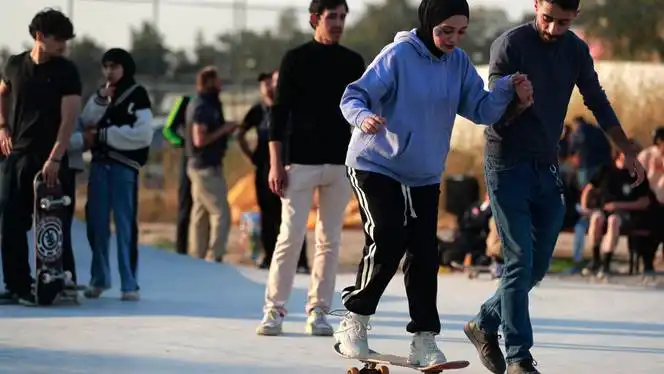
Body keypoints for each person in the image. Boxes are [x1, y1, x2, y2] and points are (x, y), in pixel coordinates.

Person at [333, 0, 531, 367]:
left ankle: (423, 339)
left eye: (461, 32)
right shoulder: (397, 56)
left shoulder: (457, 63)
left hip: (423, 172)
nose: (453, 39)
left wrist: (505, 88)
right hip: (375, 163)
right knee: (389, 237)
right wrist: (362, 118)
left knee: (425, 253)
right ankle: (354, 319)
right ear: (428, 24)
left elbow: (481, 111)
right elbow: (353, 95)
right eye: (445, 31)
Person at [464, 1, 646, 373]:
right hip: (507, 162)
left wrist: (626, 149)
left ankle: (484, 322)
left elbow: (596, 100)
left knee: (536, 266)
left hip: (546, 166)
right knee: (518, 261)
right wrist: (516, 103)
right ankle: (519, 357)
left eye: (563, 22)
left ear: (575, 16)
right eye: (547, 19)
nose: (552, 29)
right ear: (536, 6)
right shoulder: (510, 45)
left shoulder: (575, 49)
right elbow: (492, 116)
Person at [256, 0, 366, 336]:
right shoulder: (295, 59)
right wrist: (276, 164)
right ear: (315, 19)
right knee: (289, 237)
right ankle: (273, 310)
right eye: (331, 16)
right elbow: (278, 114)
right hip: (299, 162)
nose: (338, 22)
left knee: (329, 240)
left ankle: (318, 310)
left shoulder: (352, 62)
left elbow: (362, 109)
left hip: (338, 162)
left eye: (343, 16)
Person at [0, 8, 81, 306]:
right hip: (18, 156)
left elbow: (69, 119)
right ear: (40, 36)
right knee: (10, 221)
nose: (63, 45)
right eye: (58, 38)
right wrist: (3, 126)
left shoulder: (66, 71)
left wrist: (56, 157)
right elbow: (2, 92)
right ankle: (18, 284)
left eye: (66, 39)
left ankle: (61, 282)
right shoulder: (14, 64)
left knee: (54, 224)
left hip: (52, 160)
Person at [82, 48, 154, 301]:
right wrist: (101, 98)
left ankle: (129, 283)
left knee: (124, 226)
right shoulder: (102, 94)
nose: (110, 71)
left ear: (125, 68)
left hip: (123, 168)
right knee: (97, 225)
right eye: (106, 66)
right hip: (99, 167)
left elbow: (143, 135)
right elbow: (85, 122)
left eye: (115, 66)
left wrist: (104, 135)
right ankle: (99, 279)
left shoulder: (137, 95)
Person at [237, 71, 309, 272]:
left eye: (273, 83)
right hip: (264, 171)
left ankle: (300, 261)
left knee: (293, 216)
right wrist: (251, 156)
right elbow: (240, 133)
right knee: (268, 217)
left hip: (289, 168)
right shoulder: (258, 111)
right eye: (266, 84)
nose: (270, 87)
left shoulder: (291, 108)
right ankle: (269, 257)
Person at [185, 66, 237, 262]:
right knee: (221, 213)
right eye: (217, 80)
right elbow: (200, 140)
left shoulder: (207, 103)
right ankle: (214, 256)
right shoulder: (202, 106)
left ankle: (196, 256)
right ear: (208, 82)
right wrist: (225, 129)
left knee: (201, 213)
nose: (220, 83)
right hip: (205, 167)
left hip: (200, 166)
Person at [580, 149, 652, 278]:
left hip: (626, 214)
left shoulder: (638, 175)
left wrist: (619, 205)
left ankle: (606, 263)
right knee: (597, 218)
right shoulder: (606, 170)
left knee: (614, 221)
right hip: (603, 210)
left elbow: (644, 202)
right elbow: (589, 188)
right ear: (619, 154)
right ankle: (596, 260)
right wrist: (585, 207)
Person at [163, 95, 192, 255]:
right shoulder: (185, 100)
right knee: (185, 206)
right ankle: (181, 250)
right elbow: (168, 130)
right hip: (188, 161)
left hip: (209, 162)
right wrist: (184, 143)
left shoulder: (214, 100)